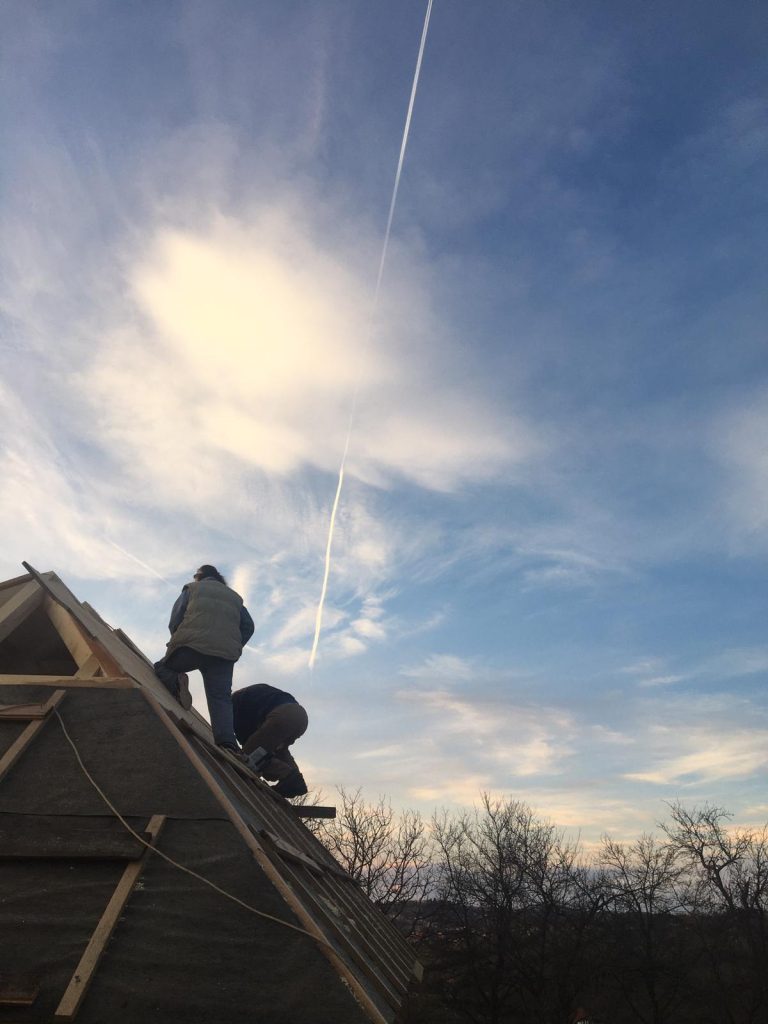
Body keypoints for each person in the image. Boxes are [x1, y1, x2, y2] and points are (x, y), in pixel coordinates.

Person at [154, 565, 254, 752]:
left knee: (163, 667)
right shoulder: (235, 598)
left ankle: (177, 682)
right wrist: (235, 646)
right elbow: (248, 626)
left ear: (199, 577)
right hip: (224, 655)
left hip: (191, 646)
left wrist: (176, 639)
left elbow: (176, 618)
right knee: (221, 697)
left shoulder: (192, 589)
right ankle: (227, 743)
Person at [232, 683, 308, 798]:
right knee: (278, 750)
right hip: (299, 715)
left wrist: (248, 757)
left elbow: (246, 737)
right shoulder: (247, 696)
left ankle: (288, 776)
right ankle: (296, 780)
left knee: (247, 758)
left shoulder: (230, 706)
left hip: (282, 715)